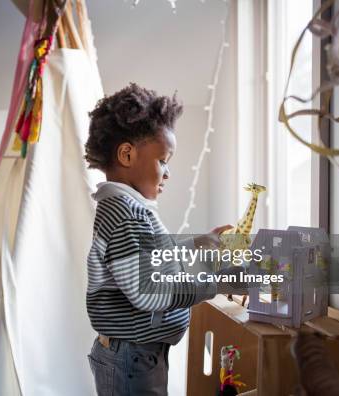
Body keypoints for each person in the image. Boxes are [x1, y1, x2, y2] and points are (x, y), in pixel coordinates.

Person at [84, 83, 246, 396]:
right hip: (132, 356)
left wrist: (194, 245)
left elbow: (145, 263)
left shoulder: (125, 209)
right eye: (163, 160)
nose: (168, 173)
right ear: (127, 154)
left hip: (135, 352)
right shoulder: (128, 216)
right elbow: (149, 293)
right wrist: (218, 284)